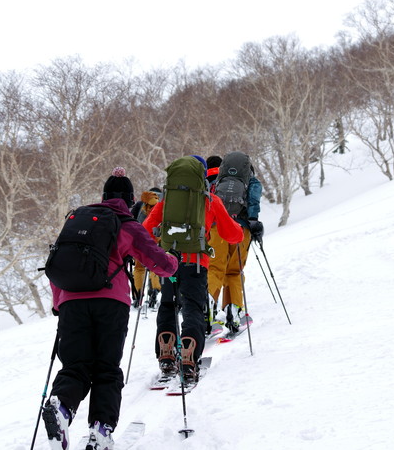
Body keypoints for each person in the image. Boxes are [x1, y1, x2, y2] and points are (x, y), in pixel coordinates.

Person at [42, 167, 178, 450]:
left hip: (71, 303)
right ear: (129, 200)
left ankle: (62, 407)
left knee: (75, 365)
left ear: (103, 196)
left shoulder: (77, 220)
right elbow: (160, 265)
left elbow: (60, 264)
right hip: (110, 304)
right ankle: (101, 430)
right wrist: (174, 260)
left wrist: (59, 305)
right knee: (106, 368)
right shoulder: (127, 225)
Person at [142, 155, 243, 383]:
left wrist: (160, 244)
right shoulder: (209, 200)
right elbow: (231, 234)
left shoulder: (166, 201)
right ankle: (189, 358)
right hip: (196, 264)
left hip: (168, 263)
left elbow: (145, 230)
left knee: (167, 305)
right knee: (193, 309)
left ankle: (167, 356)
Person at [207, 154, 264, 332]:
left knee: (215, 268)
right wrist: (253, 221)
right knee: (234, 270)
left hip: (218, 228)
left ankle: (207, 304)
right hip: (241, 229)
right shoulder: (252, 182)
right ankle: (234, 309)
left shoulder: (217, 181)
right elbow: (254, 202)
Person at [130, 187, 163, 308]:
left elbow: (131, 220)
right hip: (157, 240)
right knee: (155, 267)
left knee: (139, 269)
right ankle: (155, 289)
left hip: (140, 240)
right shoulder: (163, 203)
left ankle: (137, 295)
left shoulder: (141, 203)